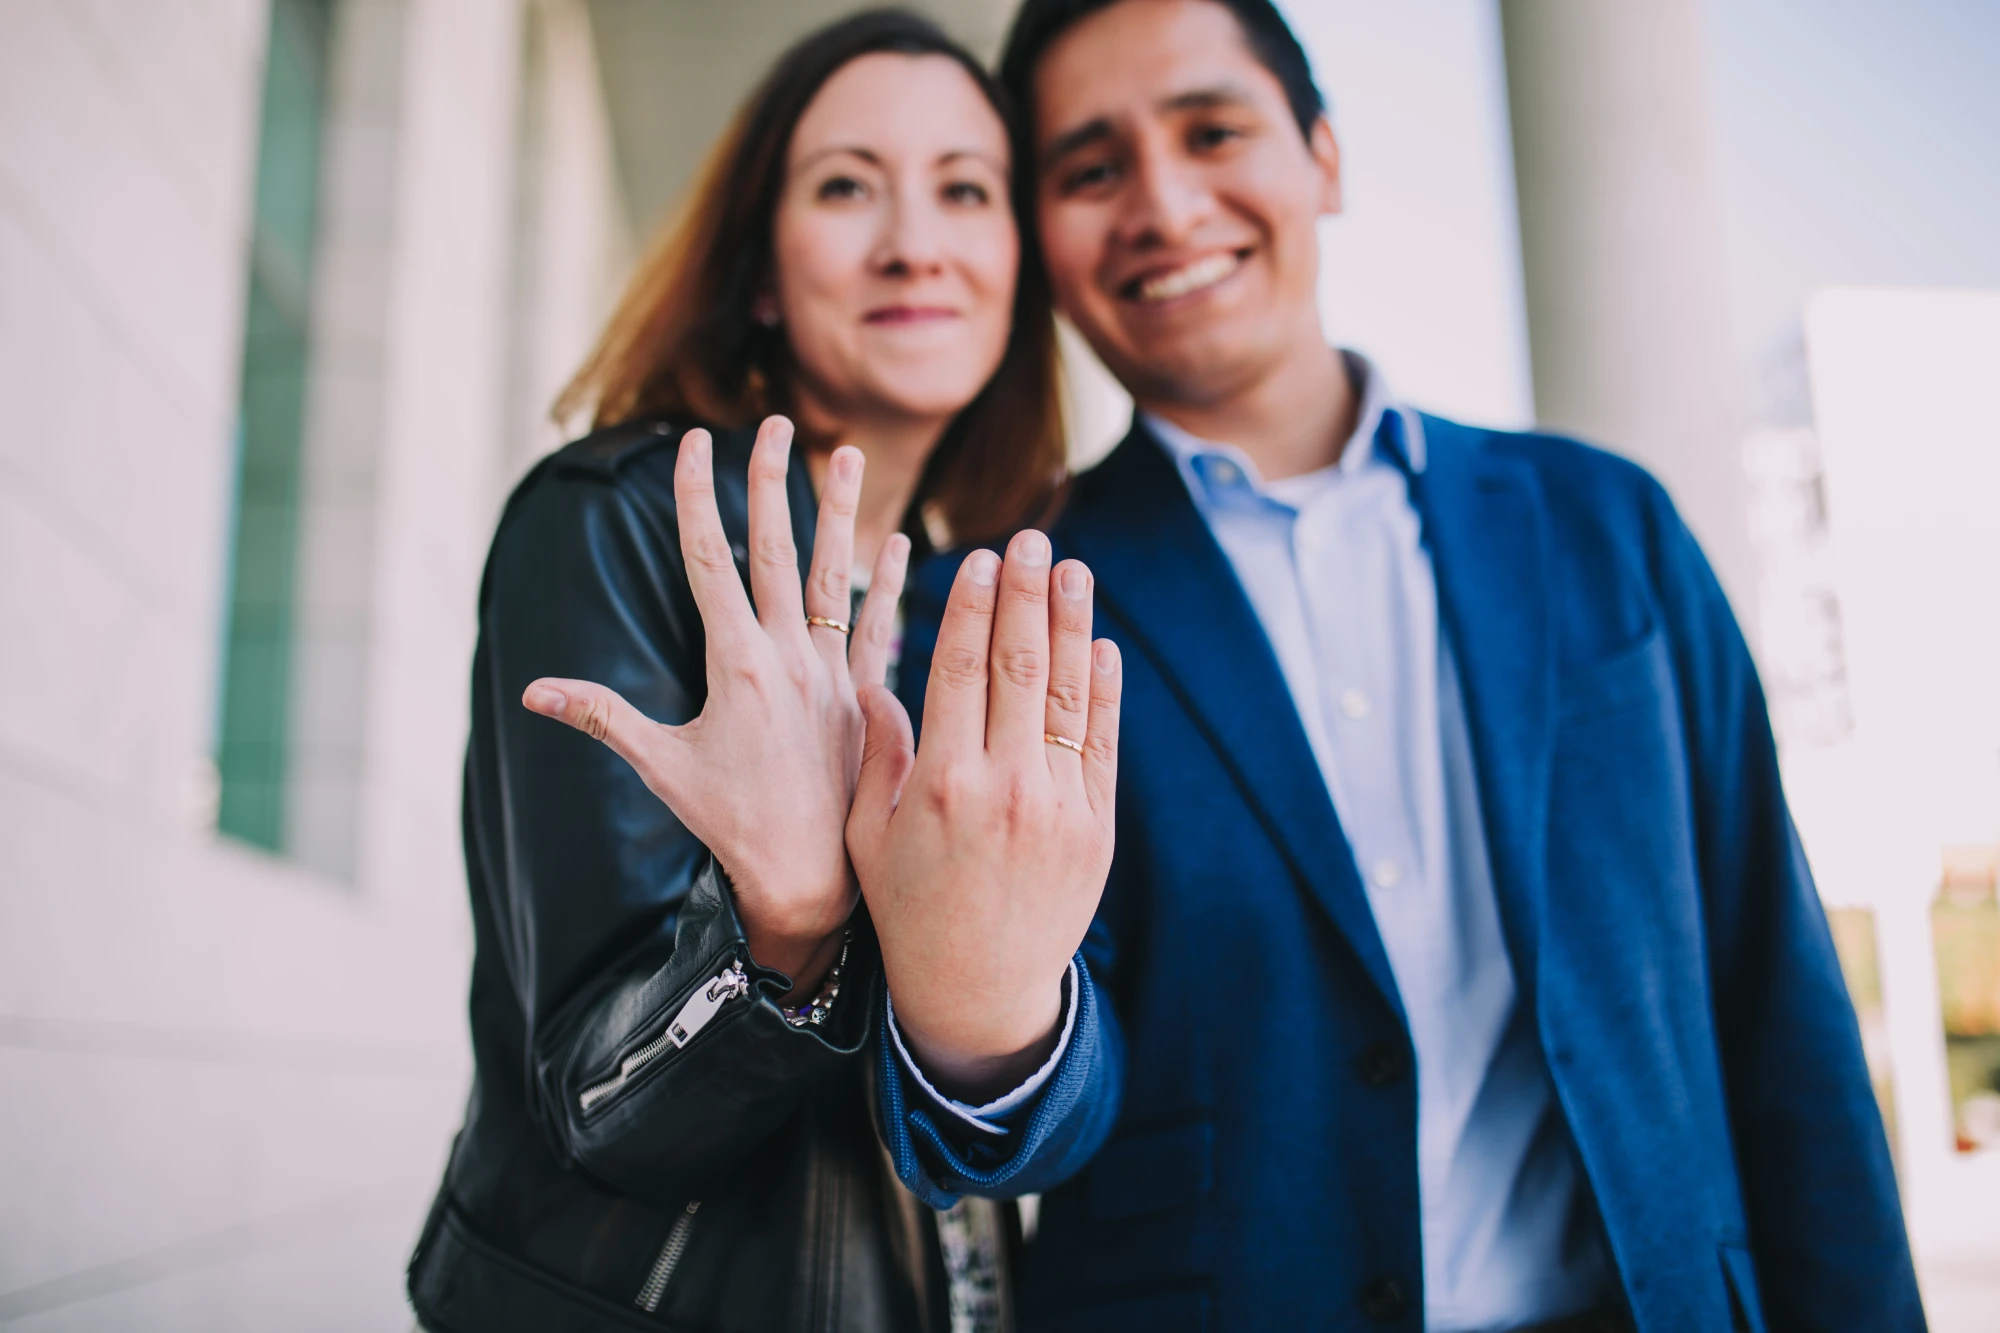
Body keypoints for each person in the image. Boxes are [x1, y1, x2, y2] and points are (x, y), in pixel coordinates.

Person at [858, 1, 1927, 1329]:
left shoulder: (1607, 528)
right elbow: (1015, 1117)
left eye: (1213, 130)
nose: (1164, 202)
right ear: (1042, 240)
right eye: (1090, 168)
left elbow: (1778, 1005)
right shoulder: (999, 606)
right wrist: (983, 1024)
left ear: (1325, 155)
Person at [404, 12, 1071, 1331]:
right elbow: (601, 1110)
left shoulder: (970, 591)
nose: (914, 243)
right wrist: (781, 931)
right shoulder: (615, 520)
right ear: (762, 268)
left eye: (966, 191)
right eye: (844, 186)